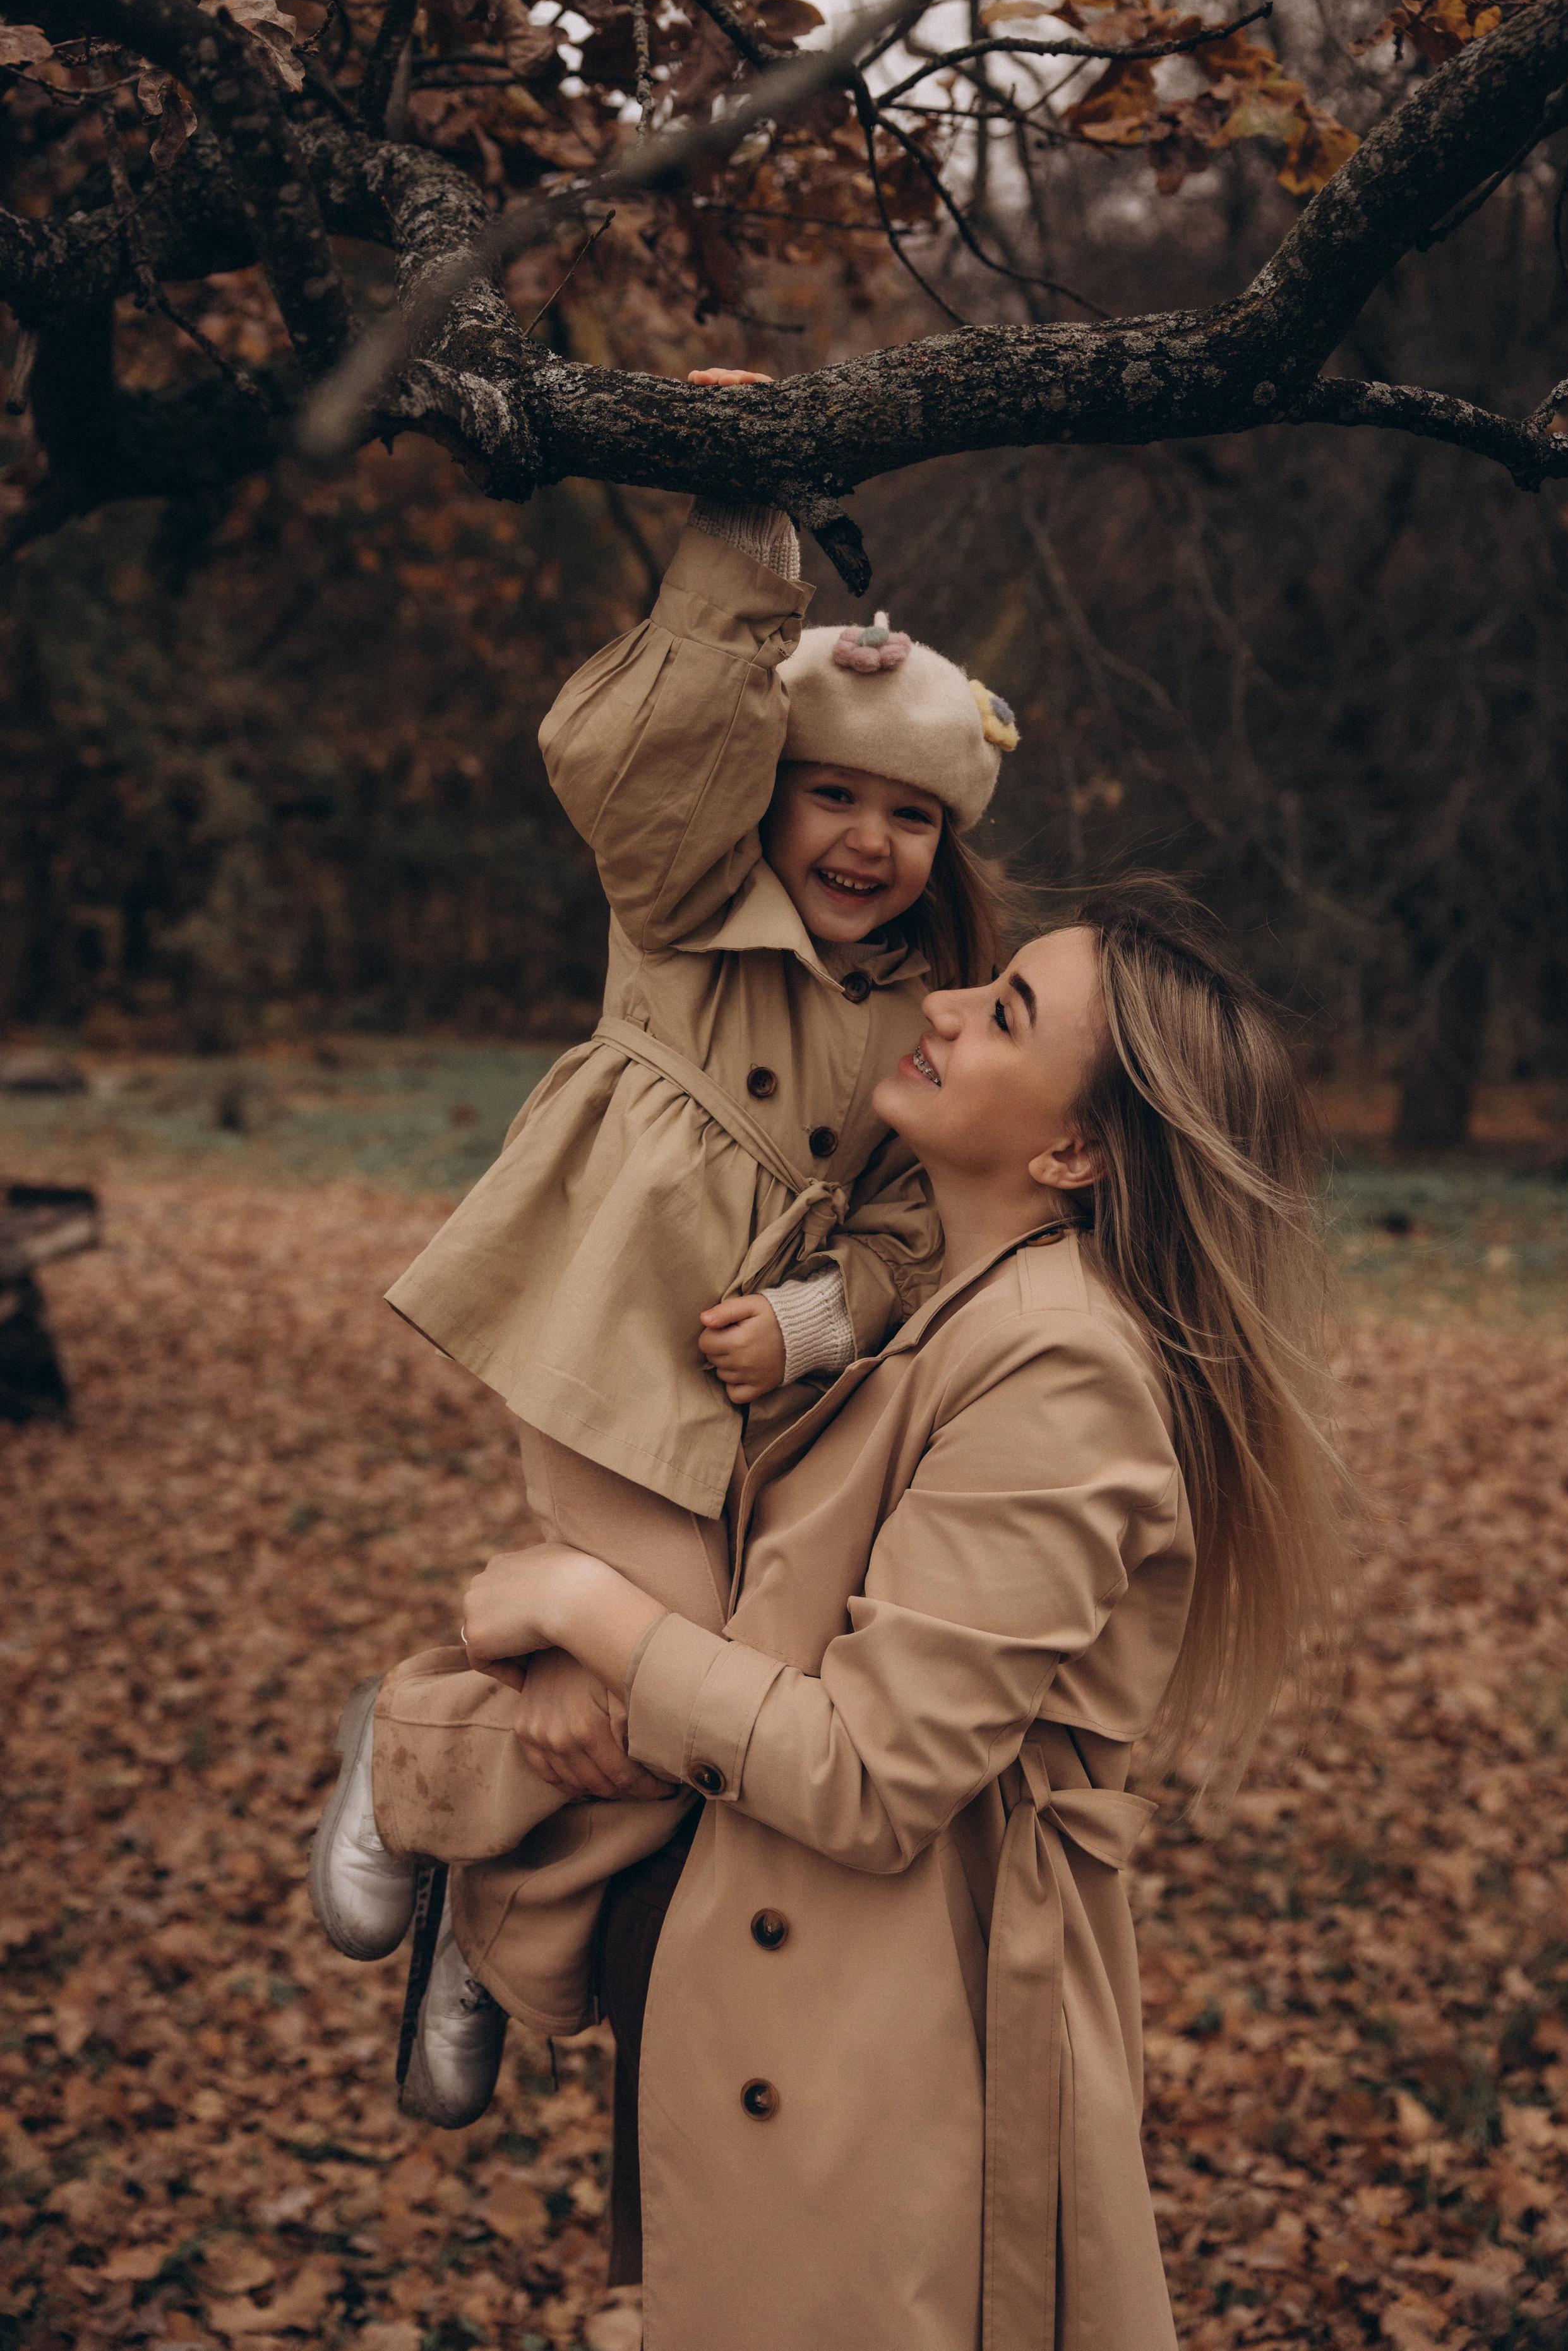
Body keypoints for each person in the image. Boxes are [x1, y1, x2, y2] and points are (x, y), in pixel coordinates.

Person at [460, 881, 1342, 2348]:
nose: (940, 1005)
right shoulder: (947, 1302)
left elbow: (872, 1772)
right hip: (784, 2005)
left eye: (1004, 1013)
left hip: (899, 2049)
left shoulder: (1063, 1365)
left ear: (1070, 1146)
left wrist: (586, 1608)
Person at [308, 377, 1020, 2127]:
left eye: (908, 814)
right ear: (764, 799)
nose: (866, 839)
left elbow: (911, 1231)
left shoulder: (916, 1018)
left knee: (719, 1698)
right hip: (605, 1327)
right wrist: (739, 516)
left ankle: (488, 1898)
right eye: (830, 794)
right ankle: (421, 1761)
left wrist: (818, 1312)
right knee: (689, 1675)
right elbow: (643, 751)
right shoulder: (687, 907)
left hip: (751, 1400)